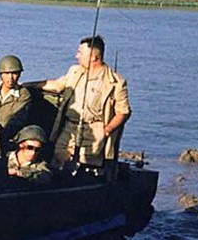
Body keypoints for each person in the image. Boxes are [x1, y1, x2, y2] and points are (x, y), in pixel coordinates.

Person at [40, 35, 131, 168]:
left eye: (80, 53)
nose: (77, 56)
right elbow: (58, 84)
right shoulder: (75, 71)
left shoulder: (115, 82)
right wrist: (27, 85)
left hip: (94, 131)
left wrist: (107, 130)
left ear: (94, 57)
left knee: (84, 166)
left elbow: (123, 112)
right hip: (69, 128)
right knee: (58, 159)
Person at [0, 54, 32, 146]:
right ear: (1, 74)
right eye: (7, 73)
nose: (10, 78)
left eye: (14, 73)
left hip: (8, 138)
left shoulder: (23, 95)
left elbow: (12, 119)